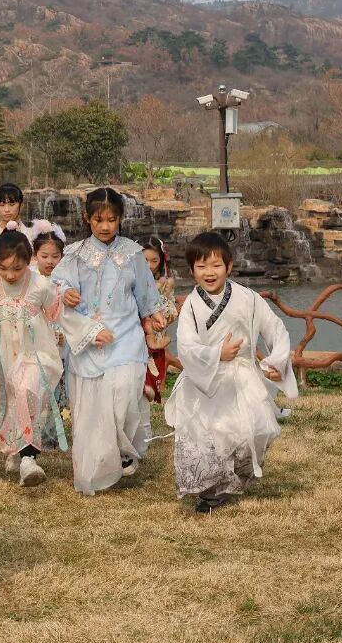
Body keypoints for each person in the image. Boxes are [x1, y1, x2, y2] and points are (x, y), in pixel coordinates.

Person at [165, 232, 297, 513]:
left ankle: (232, 479)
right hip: (205, 379)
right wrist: (216, 354)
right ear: (191, 270)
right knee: (207, 434)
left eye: (216, 265)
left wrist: (276, 363)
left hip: (242, 377)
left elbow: (275, 329)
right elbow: (186, 346)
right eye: (201, 266)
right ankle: (210, 494)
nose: (209, 272)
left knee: (253, 430)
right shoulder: (191, 306)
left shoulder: (249, 299)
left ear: (229, 265)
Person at [51, 188, 165, 496]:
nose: (105, 226)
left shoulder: (132, 253)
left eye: (111, 220)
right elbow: (55, 286)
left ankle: (124, 449)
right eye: (98, 219)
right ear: (87, 218)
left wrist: (153, 312)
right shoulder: (74, 255)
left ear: (121, 219)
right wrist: (65, 293)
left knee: (125, 390)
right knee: (92, 405)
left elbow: (145, 290)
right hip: (88, 336)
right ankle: (101, 463)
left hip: (125, 334)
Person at [0, 230, 65, 487]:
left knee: (26, 392)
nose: (11, 275)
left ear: (28, 262)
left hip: (34, 353)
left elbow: (55, 314)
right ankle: (14, 448)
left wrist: (60, 333)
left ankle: (28, 458)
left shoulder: (41, 285)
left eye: (17, 268)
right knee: (3, 400)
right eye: (4, 268)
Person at [0, 183, 62, 265]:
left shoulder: (32, 235)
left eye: (12, 204)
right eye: (2, 204)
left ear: (22, 205)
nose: (7, 209)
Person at [137, 236, 179, 403]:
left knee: (155, 362)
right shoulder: (130, 281)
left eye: (154, 261)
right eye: (144, 260)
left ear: (161, 261)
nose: (149, 265)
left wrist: (164, 315)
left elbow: (171, 309)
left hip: (156, 333)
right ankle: (144, 385)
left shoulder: (165, 284)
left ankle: (151, 387)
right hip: (136, 332)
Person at [32, 226, 69, 412]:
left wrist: (63, 334)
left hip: (59, 335)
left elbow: (68, 313)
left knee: (57, 378)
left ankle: (56, 416)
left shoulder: (65, 281)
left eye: (55, 256)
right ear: (35, 255)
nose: (50, 261)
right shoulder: (30, 279)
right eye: (44, 256)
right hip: (36, 337)